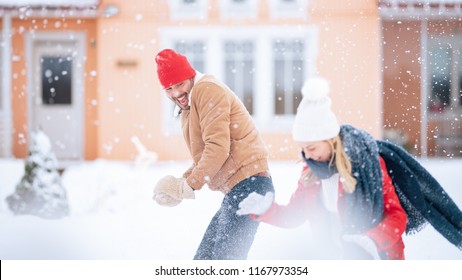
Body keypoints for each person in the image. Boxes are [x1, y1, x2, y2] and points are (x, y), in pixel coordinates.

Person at [237, 77, 462, 259]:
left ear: (331, 140)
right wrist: (267, 209)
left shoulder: (368, 165)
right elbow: (295, 215)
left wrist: (371, 239)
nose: (307, 155)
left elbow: (397, 216)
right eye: (303, 149)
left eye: (312, 147)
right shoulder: (311, 174)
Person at [152, 48, 275, 260]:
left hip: (250, 186)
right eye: (169, 88)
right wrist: (179, 185)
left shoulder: (206, 89)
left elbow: (217, 149)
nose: (175, 94)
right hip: (240, 189)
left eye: (180, 84)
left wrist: (188, 186)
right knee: (204, 261)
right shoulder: (190, 104)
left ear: (190, 76)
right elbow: (206, 157)